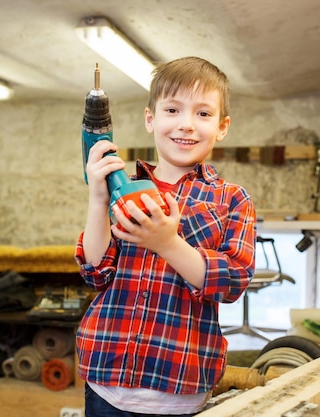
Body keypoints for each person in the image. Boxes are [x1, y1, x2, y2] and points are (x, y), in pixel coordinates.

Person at [74, 56, 257, 416]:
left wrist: (167, 244)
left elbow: (232, 282)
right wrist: (98, 197)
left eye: (203, 114)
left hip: (179, 386)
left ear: (222, 126)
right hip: (105, 381)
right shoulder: (121, 187)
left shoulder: (232, 199)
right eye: (172, 110)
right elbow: (95, 271)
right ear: (150, 119)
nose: (186, 125)